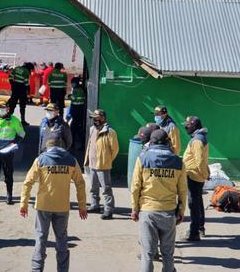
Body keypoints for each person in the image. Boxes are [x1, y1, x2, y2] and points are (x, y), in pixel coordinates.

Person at [20, 139, 88, 272]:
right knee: (62, 239)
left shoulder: (41, 160)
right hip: (62, 207)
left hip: (43, 206)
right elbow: (80, 183)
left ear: (48, 147)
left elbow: (28, 182)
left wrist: (24, 203)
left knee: (40, 238)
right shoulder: (72, 160)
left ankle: (37, 269)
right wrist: (82, 206)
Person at [131, 130, 187, 272]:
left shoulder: (142, 159)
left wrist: (134, 209)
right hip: (168, 212)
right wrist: (181, 211)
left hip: (147, 211)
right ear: (168, 142)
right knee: (168, 254)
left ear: (152, 142)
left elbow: (135, 187)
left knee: (147, 254)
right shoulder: (178, 161)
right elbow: (182, 191)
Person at [0, 101, 26, 205]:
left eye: (3, 108)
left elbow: (22, 134)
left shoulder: (14, 120)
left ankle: (9, 196)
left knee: (8, 174)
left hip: (7, 152)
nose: (1, 110)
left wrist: (13, 144)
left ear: (8, 109)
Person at [84, 109, 119, 219]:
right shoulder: (92, 129)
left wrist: (107, 160)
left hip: (103, 165)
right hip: (92, 164)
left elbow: (115, 149)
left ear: (103, 118)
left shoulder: (110, 132)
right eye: (93, 118)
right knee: (93, 187)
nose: (95, 120)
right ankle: (95, 205)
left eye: (97, 117)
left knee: (106, 189)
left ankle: (108, 210)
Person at [182, 116, 209, 241]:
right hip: (195, 175)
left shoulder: (197, 140)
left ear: (194, 126)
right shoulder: (198, 138)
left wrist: (204, 175)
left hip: (194, 175)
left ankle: (194, 232)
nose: (185, 127)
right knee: (198, 202)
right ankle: (200, 228)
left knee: (194, 204)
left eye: (188, 125)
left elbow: (199, 161)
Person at [66, 77, 86, 155]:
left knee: (73, 129)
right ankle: (80, 145)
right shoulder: (81, 89)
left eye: (72, 83)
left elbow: (73, 100)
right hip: (80, 111)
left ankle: (72, 144)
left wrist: (69, 96)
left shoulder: (76, 90)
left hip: (76, 111)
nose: (72, 84)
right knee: (78, 128)